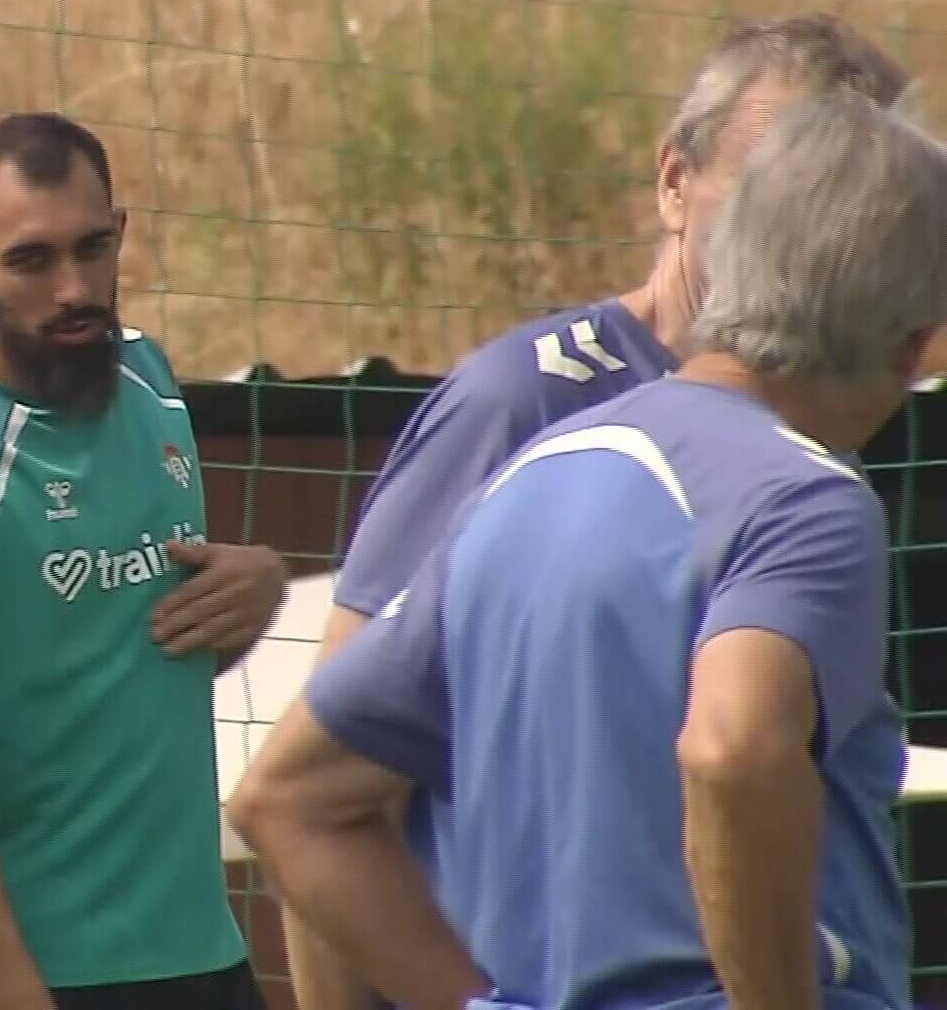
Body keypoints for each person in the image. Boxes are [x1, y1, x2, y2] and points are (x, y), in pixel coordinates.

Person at [230, 91, 947, 1010]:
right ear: (908, 346)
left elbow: (287, 801)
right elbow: (732, 753)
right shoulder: (806, 501)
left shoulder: (530, 475)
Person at [0, 111, 288, 1010]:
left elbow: (121, 650)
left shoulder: (149, 379)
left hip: (196, 952)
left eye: (93, 249)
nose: (75, 287)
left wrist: (261, 582)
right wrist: (14, 989)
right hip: (24, 979)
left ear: (122, 232)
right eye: (32, 260)